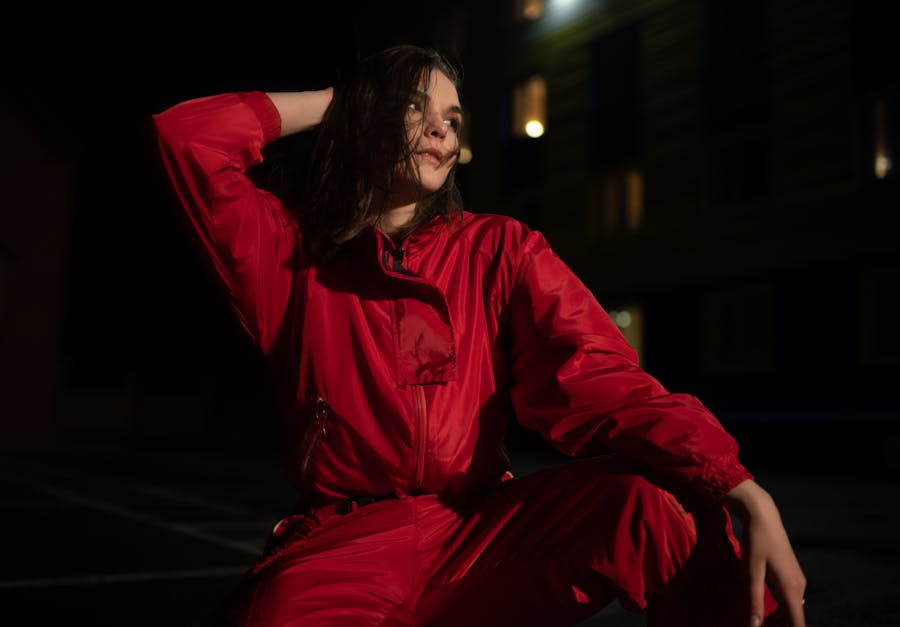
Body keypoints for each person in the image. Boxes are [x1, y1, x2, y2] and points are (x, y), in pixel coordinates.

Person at [151, 44, 806, 627]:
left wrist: (740, 485)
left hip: (481, 532)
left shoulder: (500, 250)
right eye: (414, 107)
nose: (442, 126)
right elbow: (189, 140)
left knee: (653, 504)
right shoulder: (291, 260)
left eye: (454, 116)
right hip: (344, 545)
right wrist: (340, 101)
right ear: (367, 123)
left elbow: (601, 375)